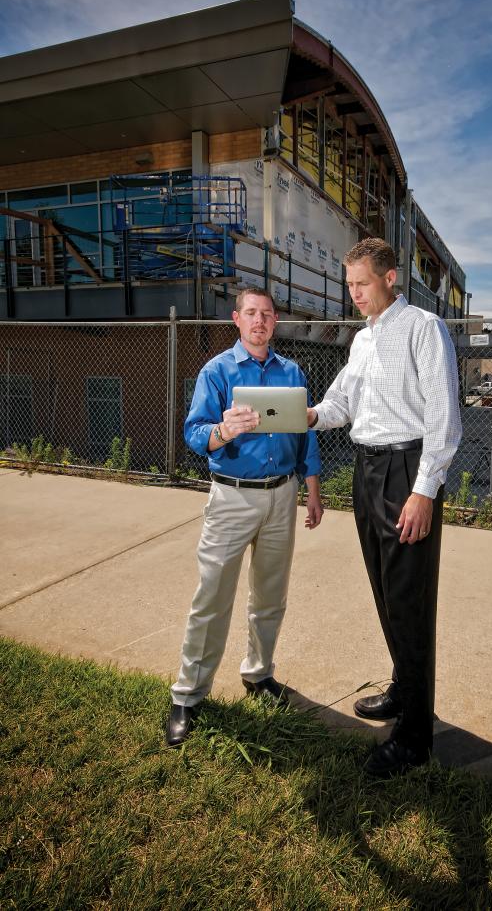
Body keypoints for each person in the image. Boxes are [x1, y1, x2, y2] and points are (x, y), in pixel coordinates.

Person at [307, 238, 461, 778]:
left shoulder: (424, 327)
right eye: (349, 286)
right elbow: (341, 403)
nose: (355, 295)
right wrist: (307, 416)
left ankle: (416, 739)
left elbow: (443, 416)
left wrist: (424, 491)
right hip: (366, 470)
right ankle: (403, 688)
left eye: (362, 284)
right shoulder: (362, 341)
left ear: (390, 277)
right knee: (384, 591)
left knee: (409, 601)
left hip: (406, 471)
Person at [166, 287, 323, 748]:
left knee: (270, 596)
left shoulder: (291, 372)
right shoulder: (216, 372)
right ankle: (188, 696)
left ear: (275, 322)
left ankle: (258, 674)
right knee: (212, 597)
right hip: (232, 498)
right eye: (251, 313)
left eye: (267, 315)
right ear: (237, 319)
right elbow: (193, 432)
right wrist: (222, 430)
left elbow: (304, 436)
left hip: (282, 497)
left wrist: (311, 491)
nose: (260, 321)